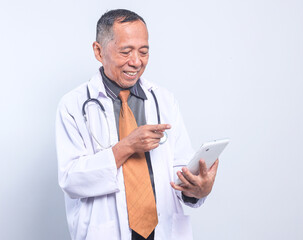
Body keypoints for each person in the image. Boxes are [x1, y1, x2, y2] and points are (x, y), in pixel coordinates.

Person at [56, 9, 219, 240]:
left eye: (144, 51)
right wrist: (127, 146)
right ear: (98, 51)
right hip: (107, 232)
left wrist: (197, 189)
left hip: (162, 231)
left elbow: (179, 169)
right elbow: (71, 180)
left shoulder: (164, 99)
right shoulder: (73, 105)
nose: (136, 62)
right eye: (126, 52)